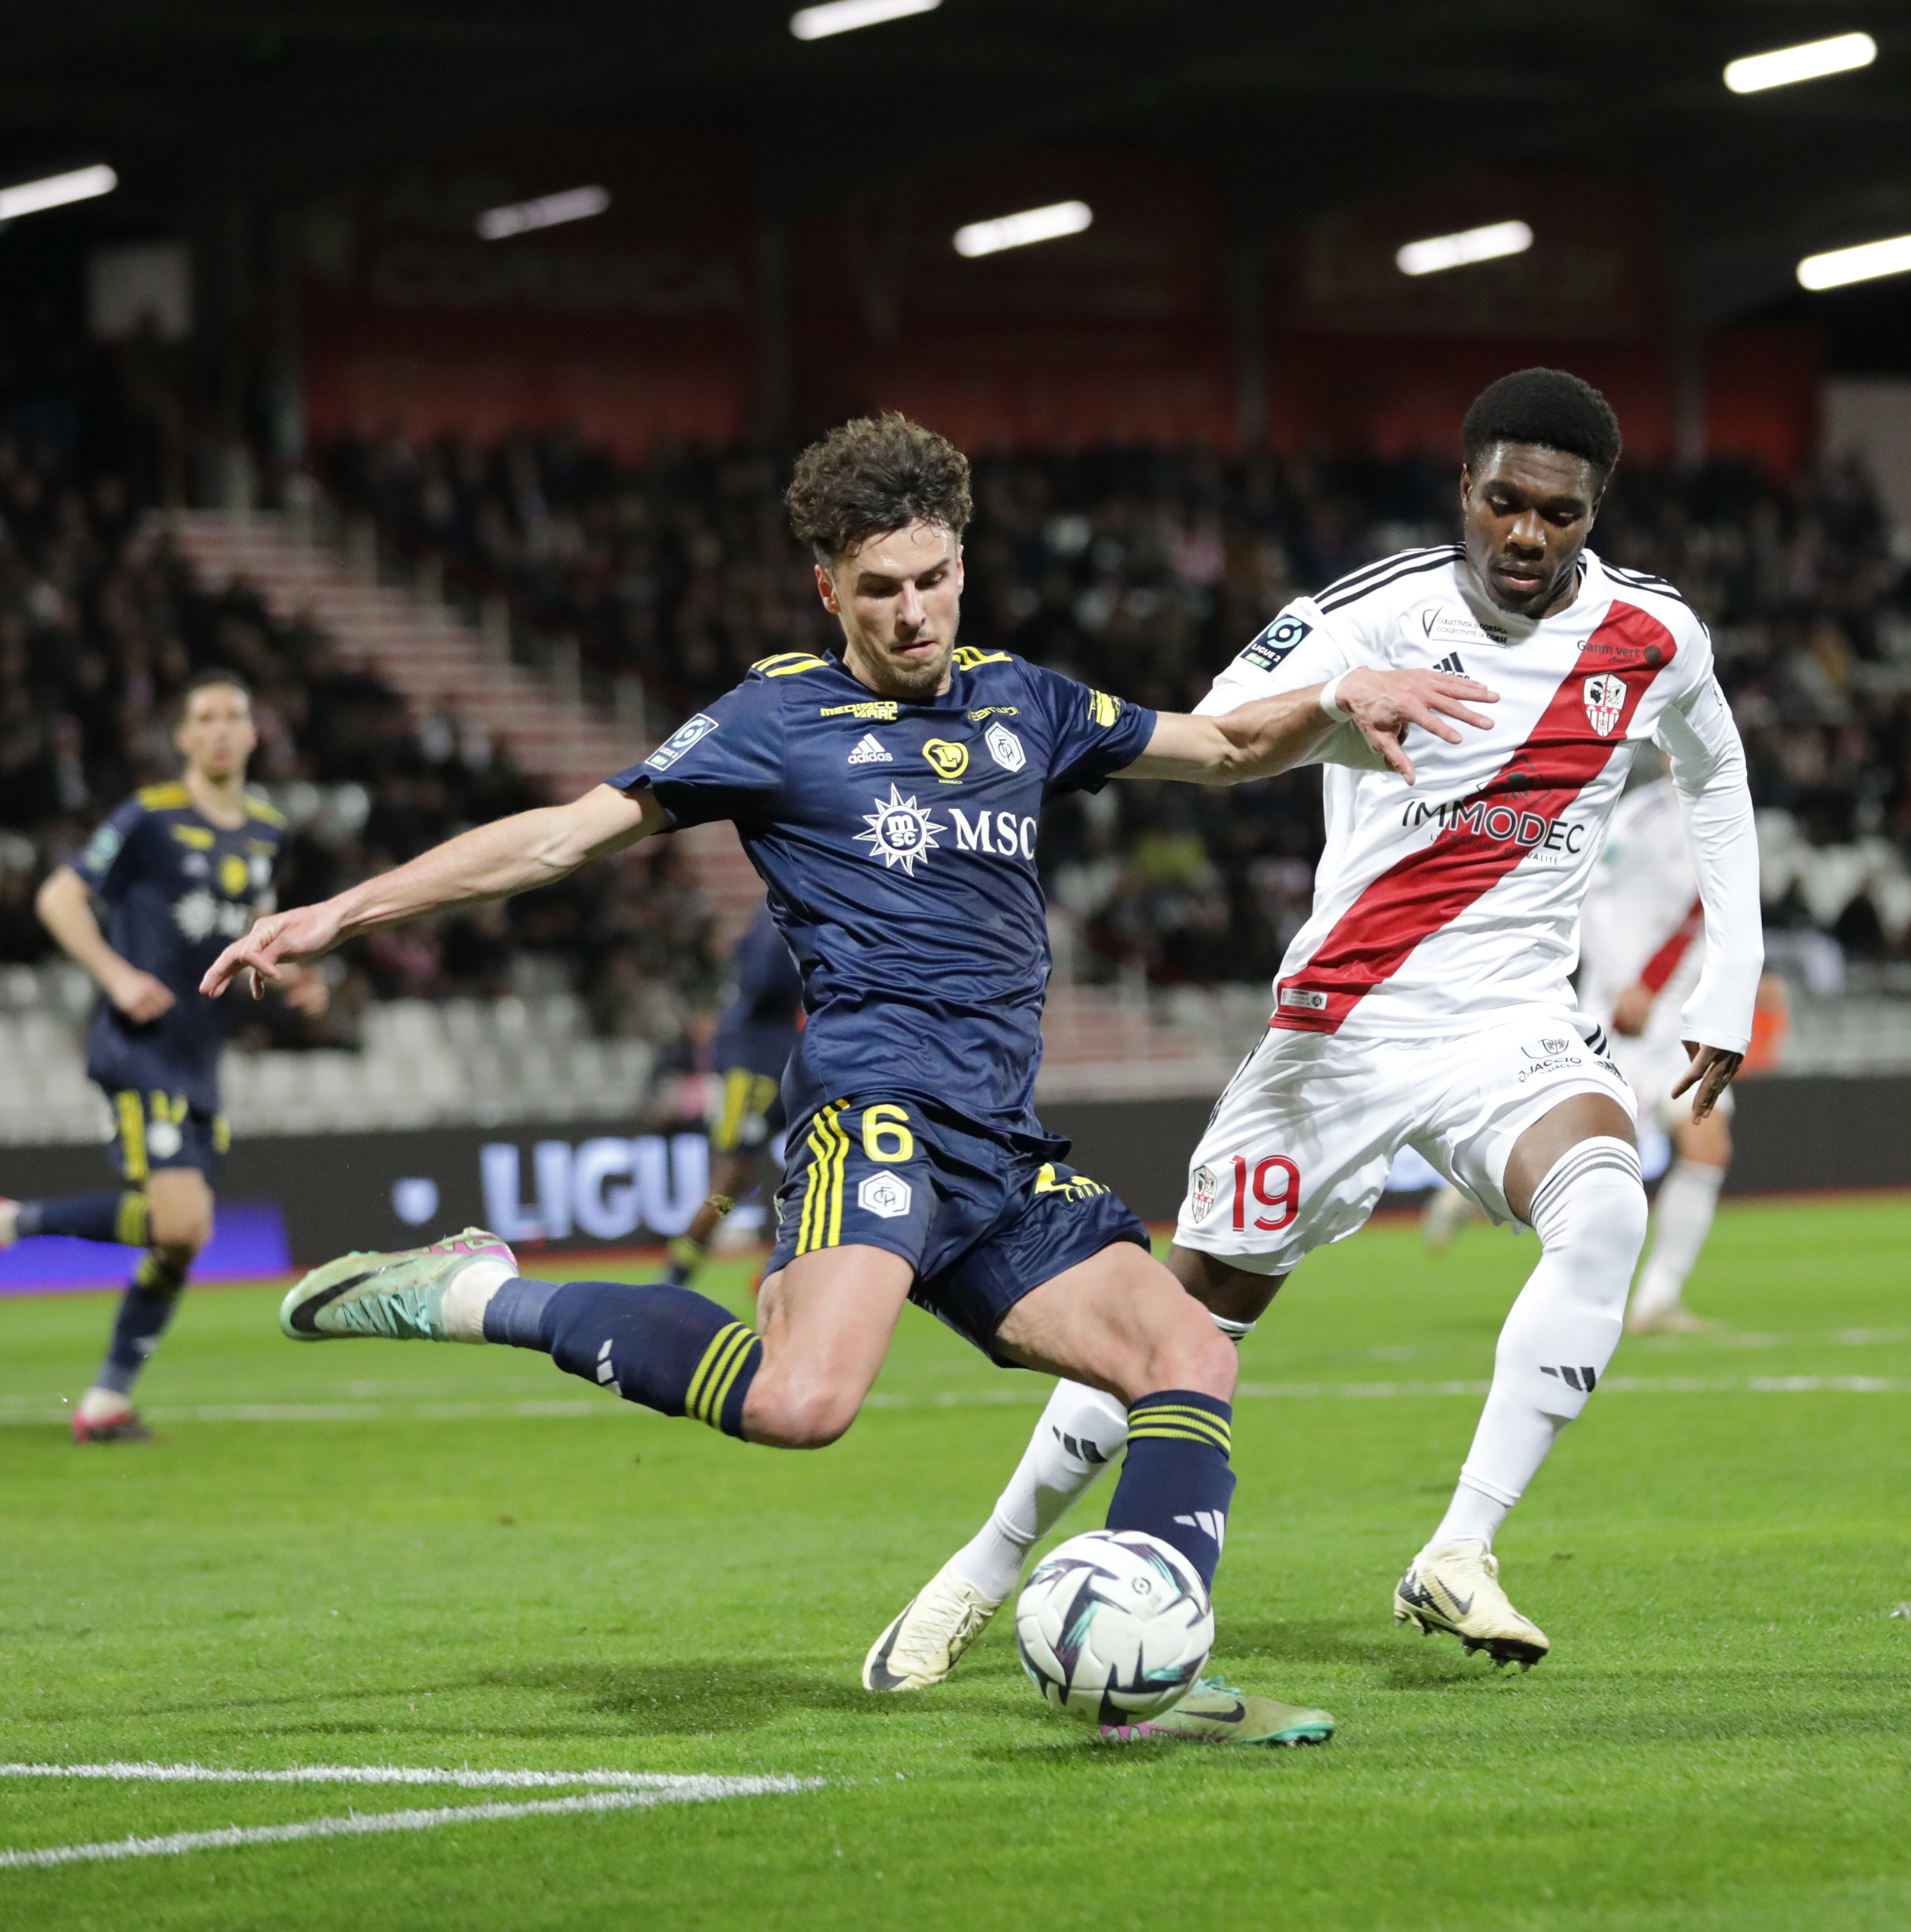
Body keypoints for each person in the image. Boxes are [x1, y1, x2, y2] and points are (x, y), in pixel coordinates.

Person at [199, 413, 1493, 1746]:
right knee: (804, 1404)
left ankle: (1151, 1668)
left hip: (999, 1145)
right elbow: (558, 841)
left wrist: (1339, 699)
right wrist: (338, 916)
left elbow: (1221, 748)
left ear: (962, 567)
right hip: (872, 1113)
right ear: (828, 588)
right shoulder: (777, 718)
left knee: (1185, 1358)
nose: (913, 611)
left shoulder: (1025, 703)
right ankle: (478, 1292)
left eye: (933, 578)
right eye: (878, 588)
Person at [867, 369, 1761, 1690]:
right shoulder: (1367, 613)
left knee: (1609, 1206)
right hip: (1344, 1028)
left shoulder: (1652, 634)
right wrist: (1346, 704)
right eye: (1503, 502)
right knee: (1186, 1325)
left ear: (1594, 514)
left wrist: (1728, 980)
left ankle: (1462, 1548)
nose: (1526, 533)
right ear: (1465, 490)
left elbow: (1719, 772)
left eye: (1557, 514)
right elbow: (1222, 736)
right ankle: (982, 1568)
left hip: (1511, 1022)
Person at [0, 672, 328, 1440]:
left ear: (253, 734)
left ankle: (107, 1397)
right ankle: (2, 1223)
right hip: (140, 1048)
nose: (220, 729)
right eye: (204, 718)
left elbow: (248, 937)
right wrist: (115, 975)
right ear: (182, 737)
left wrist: (294, 981)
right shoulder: (149, 817)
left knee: (181, 1240)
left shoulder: (268, 831)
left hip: (202, 1055)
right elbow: (58, 897)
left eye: (234, 717)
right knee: (181, 1224)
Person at [1426, 746, 1777, 1335]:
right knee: (1594, 1163)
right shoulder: (1638, 815)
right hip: (1620, 1015)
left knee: (1708, 1145)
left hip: (1679, 1024)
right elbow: (1587, 891)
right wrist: (1622, 983)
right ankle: (1476, 1189)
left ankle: (1656, 1303)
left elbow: (1721, 924)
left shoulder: (1731, 824)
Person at [659, 903, 803, 1289]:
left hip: (773, 1057)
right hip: (752, 1065)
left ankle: (788, 1260)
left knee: (770, 1168)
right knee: (733, 1175)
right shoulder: (781, 920)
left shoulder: (775, 913)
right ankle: (677, 1271)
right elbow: (763, 982)